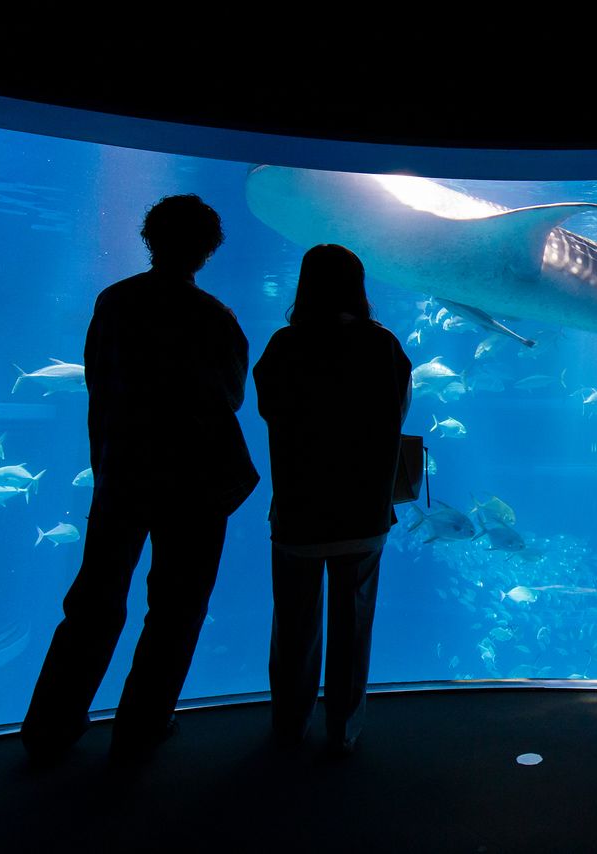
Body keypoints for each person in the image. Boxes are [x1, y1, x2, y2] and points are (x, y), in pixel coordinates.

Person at [21, 194, 259, 764]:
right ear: (209, 249)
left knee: (93, 603)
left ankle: (50, 728)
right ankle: (142, 727)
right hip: (195, 485)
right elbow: (231, 395)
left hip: (121, 474)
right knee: (177, 608)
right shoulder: (215, 318)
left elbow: (96, 381)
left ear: (149, 238)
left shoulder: (115, 302)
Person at [252, 244, 411, 756]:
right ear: (358, 288)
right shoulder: (384, 345)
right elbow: (397, 412)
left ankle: (289, 727)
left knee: (294, 628)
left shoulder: (284, 344)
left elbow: (268, 408)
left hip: (299, 512)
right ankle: (343, 730)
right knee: (353, 625)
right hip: (363, 513)